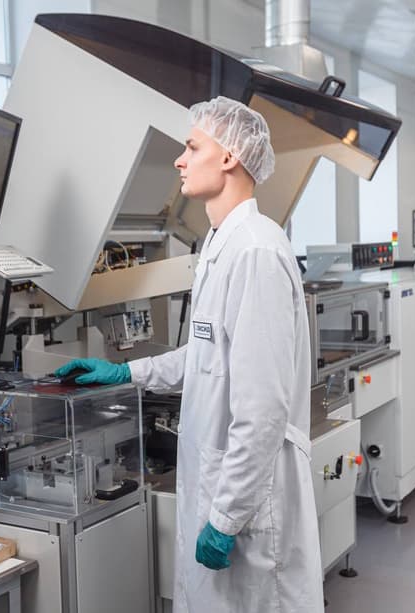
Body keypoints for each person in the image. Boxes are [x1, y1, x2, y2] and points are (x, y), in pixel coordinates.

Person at [56, 96, 324, 612]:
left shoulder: (256, 252)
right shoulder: (221, 245)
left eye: (192, 147)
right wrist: (124, 371)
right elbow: (205, 356)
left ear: (229, 156)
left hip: (250, 505)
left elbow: (262, 408)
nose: (180, 160)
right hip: (221, 483)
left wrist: (226, 519)